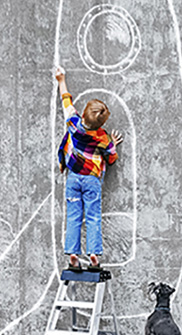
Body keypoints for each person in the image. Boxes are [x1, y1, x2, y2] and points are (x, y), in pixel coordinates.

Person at [53, 67, 123, 270]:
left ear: (83, 113)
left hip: (73, 179)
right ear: (101, 123)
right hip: (92, 180)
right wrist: (113, 145)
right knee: (93, 217)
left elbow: (66, 101)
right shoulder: (102, 138)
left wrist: (61, 80)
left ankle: (73, 255)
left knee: (73, 217)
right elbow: (111, 158)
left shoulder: (73, 123)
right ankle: (93, 254)